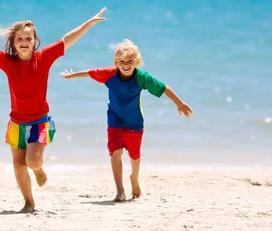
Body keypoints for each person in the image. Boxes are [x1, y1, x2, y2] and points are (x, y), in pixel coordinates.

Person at [0, 8, 107, 213]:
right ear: (13, 42)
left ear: (35, 40)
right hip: (16, 122)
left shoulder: (43, 57)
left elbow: (67, 40)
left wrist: (89, 22)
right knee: (18, 165)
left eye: (28, 38)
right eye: (20, 38)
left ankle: (38, 169)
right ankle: (29, 202)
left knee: (33, 161)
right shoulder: (8, 62)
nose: (24, 41)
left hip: (40, 121)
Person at [60, 39, 193, 202]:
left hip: (134, 122)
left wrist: (179, 103)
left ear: (136, 62)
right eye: (121, 61)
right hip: (114, 121)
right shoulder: (110, 74)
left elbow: (163, 87)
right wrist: (71, 76)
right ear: (116, 62)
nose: (125, 65)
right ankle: (120, 190)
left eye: (130, 61)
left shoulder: (141, 77)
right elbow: (90, 72)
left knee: (134, 155)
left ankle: (134, 179)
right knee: (115, 153)